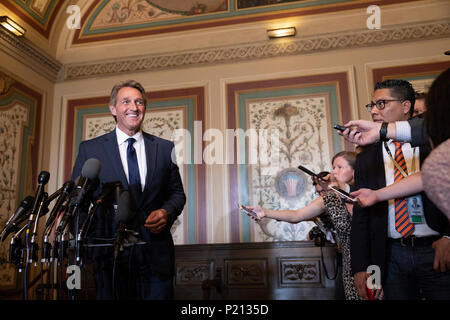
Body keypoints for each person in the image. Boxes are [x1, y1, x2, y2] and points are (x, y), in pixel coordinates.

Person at [71, 80, 186, 299]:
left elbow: (177, 194)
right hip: (110, 260)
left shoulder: (164, 148)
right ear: (113, 108)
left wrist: (166, 212)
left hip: (155, 257)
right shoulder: (91, 149)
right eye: (126, 101)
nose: (134, 107)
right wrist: (95, 243)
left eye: (139, 102)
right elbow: (78, 203)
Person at [348, 78, 450, 300]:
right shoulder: (367, 156)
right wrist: (361, 267)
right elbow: (362, 215)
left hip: (436, 248)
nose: (374, 110)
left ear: (406, 107)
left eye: (382, 103)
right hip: (391, 253)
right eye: (372, 105)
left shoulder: (434, 144)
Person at [247, 151, 368, 300]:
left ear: (355, 171)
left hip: (374, 257)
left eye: (340, 167)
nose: (334, 171)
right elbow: (296, 215)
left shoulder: (368, 192)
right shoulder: (328, 198)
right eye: (333, 167)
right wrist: (265, 211)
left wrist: (339, 185)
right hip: (350, 262)